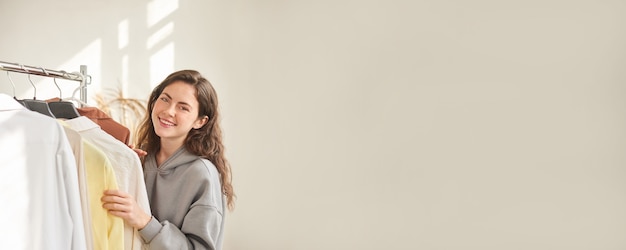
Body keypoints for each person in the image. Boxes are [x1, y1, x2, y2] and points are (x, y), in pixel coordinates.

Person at [101, 69, 235, 249]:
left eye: (183, 107)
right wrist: (122, 165)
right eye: (165, 99)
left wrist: (145, 222)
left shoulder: (201, 174)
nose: (169, 111)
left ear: (200, 121)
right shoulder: (140, 158)